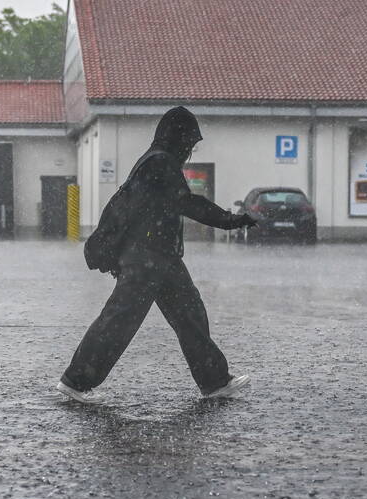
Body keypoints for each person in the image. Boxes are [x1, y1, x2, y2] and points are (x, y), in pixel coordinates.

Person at [57, 106, 255, 404]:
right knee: (120, 320)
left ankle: (215, 381)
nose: (190, 149)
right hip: (148, 259)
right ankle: (75, 381)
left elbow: (143, 210)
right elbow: (186, 203)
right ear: (178, 138)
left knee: (189, 314)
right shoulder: (160, 163)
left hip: (159, 257)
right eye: (190, 142)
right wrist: (230, 220)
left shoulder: (154, 161)